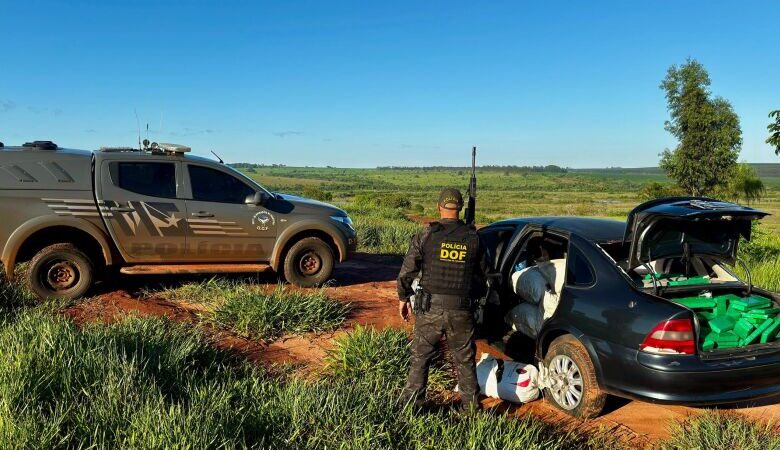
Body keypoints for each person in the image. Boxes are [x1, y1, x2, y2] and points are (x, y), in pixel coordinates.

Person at [397, 188, 490, 411]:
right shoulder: (474, 238)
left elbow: (407, 271)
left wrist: (403, 297)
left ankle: (411, 407)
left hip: (429, 309)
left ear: (439, 207)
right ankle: (471, 412)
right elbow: (485, 276)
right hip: (461, 310)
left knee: (421, 358)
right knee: (464, 361)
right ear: (460, 209)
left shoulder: (427, 235)